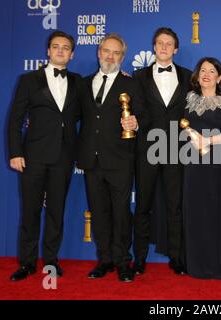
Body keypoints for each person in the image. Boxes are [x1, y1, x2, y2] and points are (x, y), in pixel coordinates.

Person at [7, 30, 82, 281]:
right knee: (30, 211)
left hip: (63, 156)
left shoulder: (78, 82)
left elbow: (98, 101)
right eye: (56, 46)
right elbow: (15, 120)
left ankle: (51, 260)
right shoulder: (29, 80)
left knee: (56, 212)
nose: (60, 50)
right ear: (48, 51)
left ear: (71, 55)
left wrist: (121, 77)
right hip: (33, 156)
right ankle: (26, 263)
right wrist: (16, 152)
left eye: (66, 48)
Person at [77, 33, 140, 282]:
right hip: (91, 161)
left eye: (116, 53)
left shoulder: (132, 85)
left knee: (122, 213)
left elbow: (144, 116)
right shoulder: (83, 84)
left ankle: (124, 262)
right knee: (99, 212)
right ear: (98, 52)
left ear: (122, 57)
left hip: (120, 160)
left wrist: (136, 123)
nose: (110, 56)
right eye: (106, 51)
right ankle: (105, 260)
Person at [128, 27, 192, 275]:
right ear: (154, 47)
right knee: (143, 205)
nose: (164, 47)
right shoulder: (138, 77)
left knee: (175, 206)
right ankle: (140, 257)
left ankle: (176, 257)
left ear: (175, 49)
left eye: (169, 44)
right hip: (147, 149)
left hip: (177, 150)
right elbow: (138, 111)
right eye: (159, 43)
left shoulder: (188, 76)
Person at [182, 57, 221, 280]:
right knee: (198, 212)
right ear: (197, 77)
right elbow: (183, 127)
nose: (206, 74)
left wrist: (206, 141)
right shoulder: (190, 99)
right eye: (202, 71)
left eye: (211, 71)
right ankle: (199, 265)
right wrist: (193, 138)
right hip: (195, 165)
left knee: (220, 211)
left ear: (219, 77)